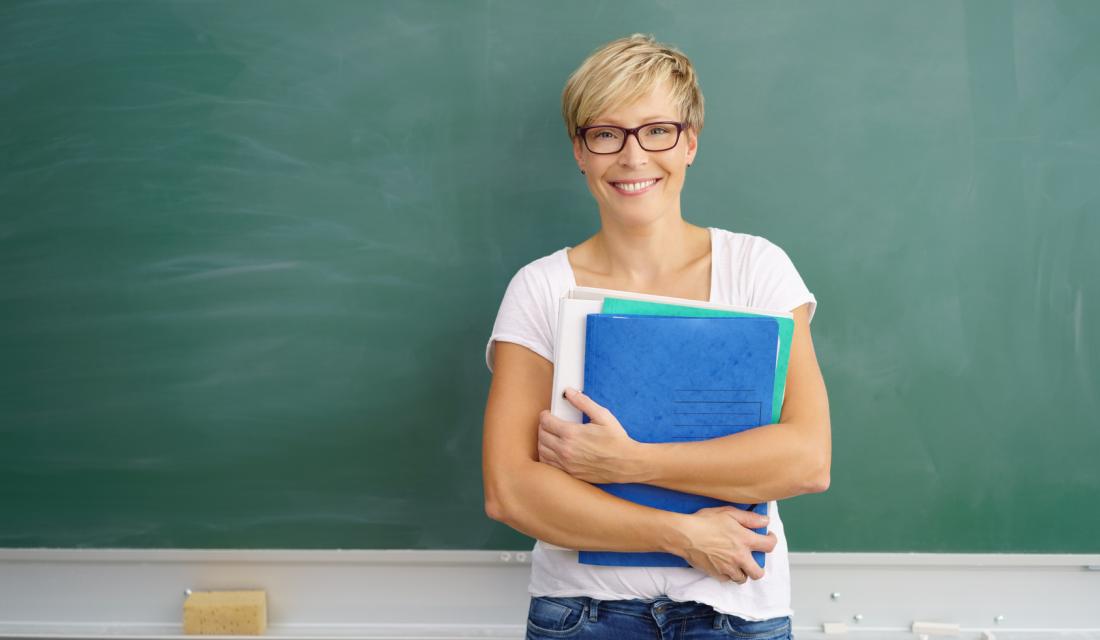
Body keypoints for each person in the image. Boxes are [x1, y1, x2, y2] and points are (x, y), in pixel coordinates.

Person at [482, 33, 831, 639]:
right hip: (582, 616)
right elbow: (510, 490)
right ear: (580, 151)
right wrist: (682, 533)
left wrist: (628, 462)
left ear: (690, 142)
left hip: (736, 611)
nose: (633, 156)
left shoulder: (757, 269)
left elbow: (805, 460)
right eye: (606, 133)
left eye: (657, 130)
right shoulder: (541, 288)